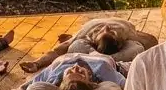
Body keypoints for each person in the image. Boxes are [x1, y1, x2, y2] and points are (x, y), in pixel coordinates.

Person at [20, 18, 157, 73]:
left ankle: (70, 37)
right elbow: (56, 51)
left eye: (109, 31)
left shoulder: (126, 35)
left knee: (68, 43)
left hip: (118, 24)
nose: (107, 27)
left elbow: (151, 41)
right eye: (106, 31)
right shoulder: (86, 35)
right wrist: (37, 63)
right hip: (92, 24)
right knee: (67, 44)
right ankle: (70, 37)